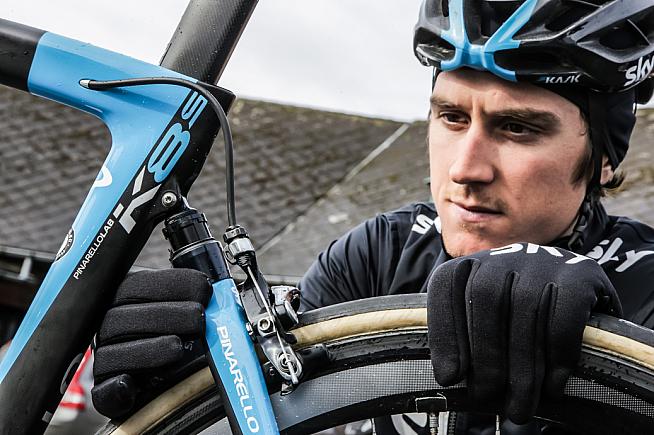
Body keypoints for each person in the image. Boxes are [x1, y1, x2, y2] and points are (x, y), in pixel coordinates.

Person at [90, 0, 654, 433]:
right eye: (452, 117)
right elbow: (284, 409)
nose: (465, 169)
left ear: (604, 157)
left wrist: (607, 339)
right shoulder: (379, 253)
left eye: (517, 128)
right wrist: (201, 385)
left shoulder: (648, 283)